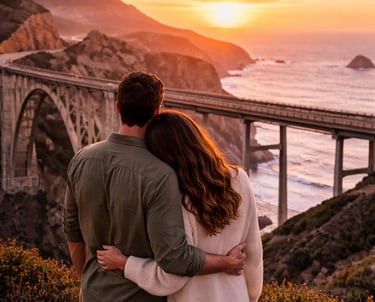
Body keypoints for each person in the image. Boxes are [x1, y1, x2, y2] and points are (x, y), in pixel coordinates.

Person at [63, 71, 247, 302]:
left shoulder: (80, 159)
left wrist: (86, 281)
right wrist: (226, 262)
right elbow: (174, 257)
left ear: (118, 107)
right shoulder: (160, 174)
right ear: (157, 110)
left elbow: (72, 233)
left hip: (92, 295)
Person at [97, 110, 264, 302]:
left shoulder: (177, 200)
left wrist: (124, 263)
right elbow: (253, 255)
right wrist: (250, 295)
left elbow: (172, 275)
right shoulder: (240, 180)